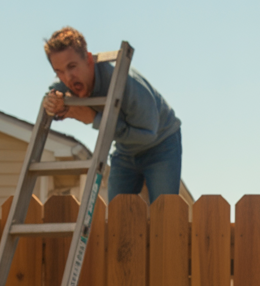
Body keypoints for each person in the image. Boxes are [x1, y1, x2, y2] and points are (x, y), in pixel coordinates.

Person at [42, 26, 182, 203]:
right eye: (59, 71)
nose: (68, 77)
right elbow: (53, 93)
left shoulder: (126, 83)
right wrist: (53, 102)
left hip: (160, 143)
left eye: (72, 66)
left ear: (89, 60)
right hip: (125, 150)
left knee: (166, 213)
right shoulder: (68, 81)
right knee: (117, 216)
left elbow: (147, 135)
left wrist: (93, 119)